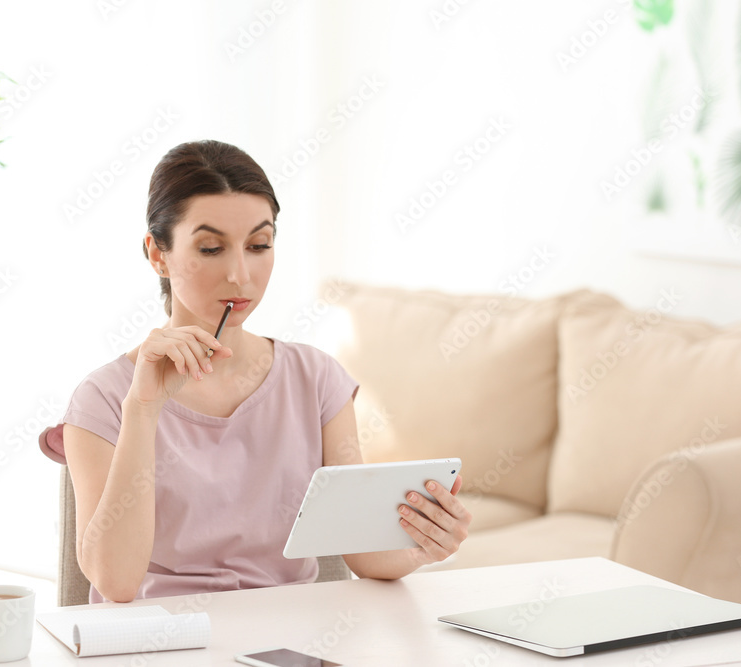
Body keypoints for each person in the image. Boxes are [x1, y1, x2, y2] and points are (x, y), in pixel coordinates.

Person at [38, 140, 472, 603]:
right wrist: (143, 409)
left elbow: (362, 554)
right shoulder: (103, 398)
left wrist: (425, 544)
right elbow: (116, 583)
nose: (240, 275)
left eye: (259, 245)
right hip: (163, 643)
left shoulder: (315, 378)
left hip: (290, 644)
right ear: (157, 254)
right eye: (210, 248)